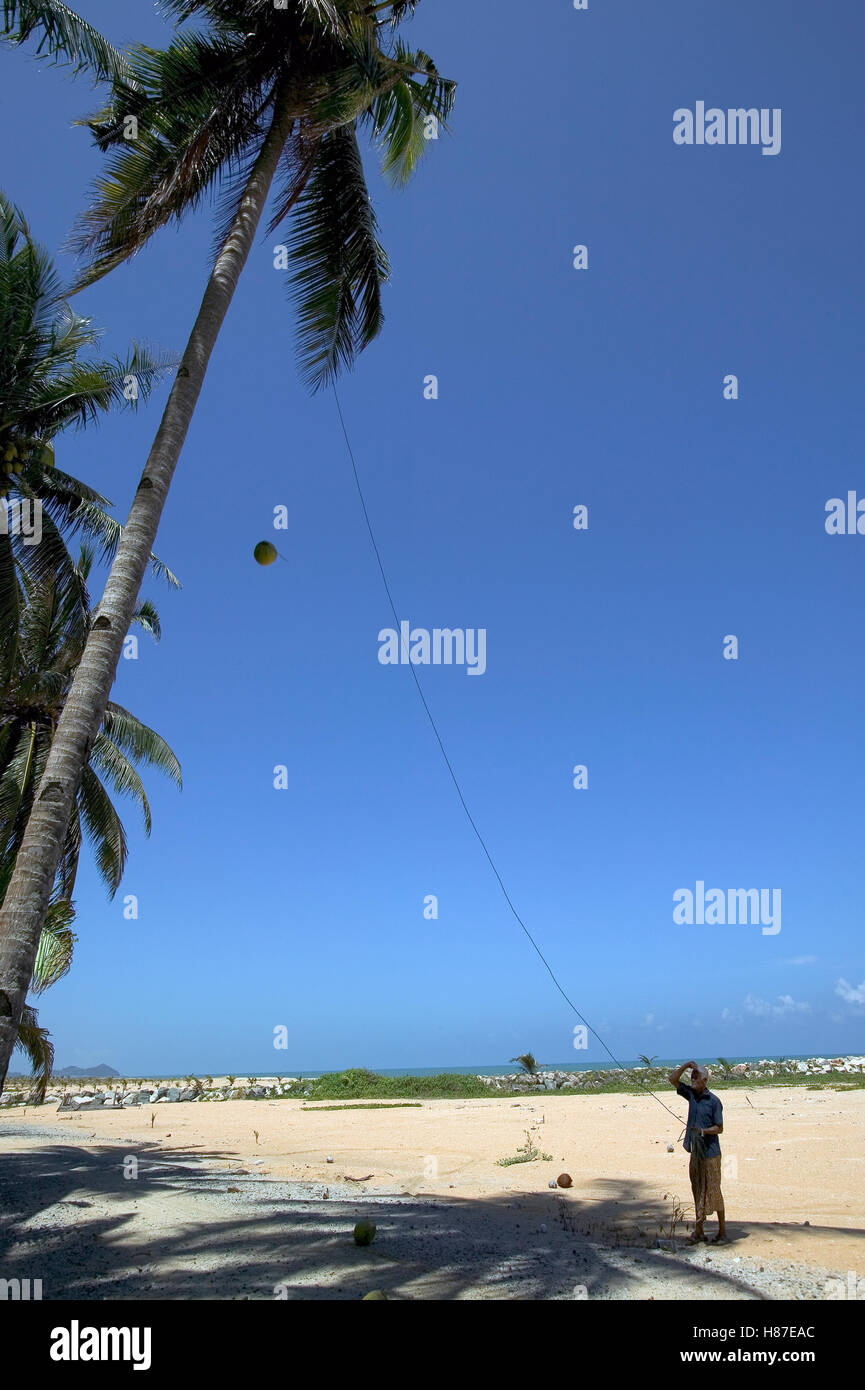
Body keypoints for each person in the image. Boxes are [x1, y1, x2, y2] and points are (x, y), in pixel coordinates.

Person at [668, 1060, 727, 1244]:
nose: (693, 1079)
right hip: (696, 1153)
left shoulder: (714, 1101)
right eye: (692, 1077)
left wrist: (703, 1131)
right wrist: (686, 1066)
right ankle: (699, 1230)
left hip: (711, 1153)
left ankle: (722, 1232)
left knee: (714, 1190)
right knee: (697, 1190)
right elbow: (672, 1079)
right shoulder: (691, 1095)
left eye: (696, 1077)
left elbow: (719, 1128)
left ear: (705, 1080)